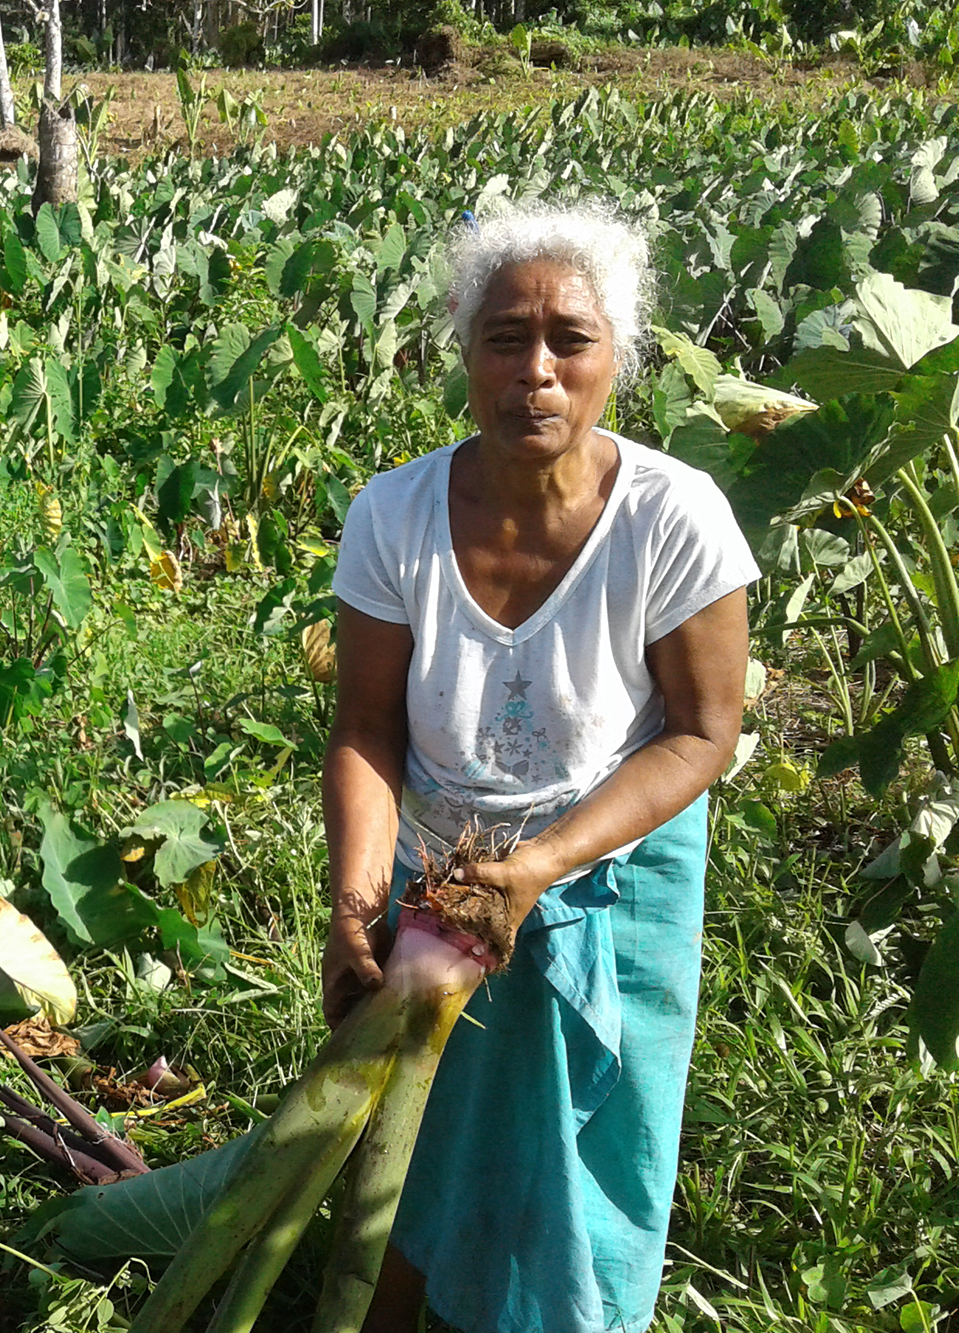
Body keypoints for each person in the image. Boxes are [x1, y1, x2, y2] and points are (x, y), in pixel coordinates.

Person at [321, 203, 758, 1333]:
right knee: (408, 1138)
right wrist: (354, 904)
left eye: (569, 338)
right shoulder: (394, 513)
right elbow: (366, 724)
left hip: (608, 870)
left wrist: (539, 863)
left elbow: (701, 733)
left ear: (617, 355)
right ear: (461, 352)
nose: (536, 372)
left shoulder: (674, 518)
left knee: (578, 1163)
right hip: (433, 877)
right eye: (504, 337)